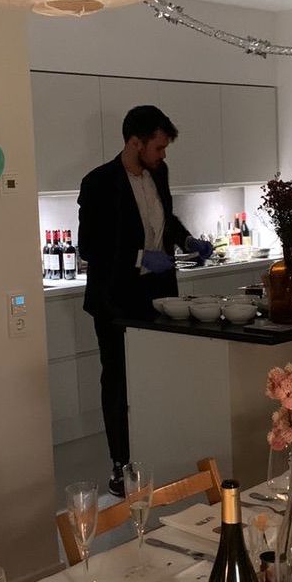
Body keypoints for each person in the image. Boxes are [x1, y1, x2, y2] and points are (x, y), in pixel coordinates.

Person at [78, 104, 212, 497]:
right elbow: (90, 246)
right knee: (118, 381)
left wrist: (185, 239)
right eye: (157, 147)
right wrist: (140, 257)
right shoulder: (99, 182)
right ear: (134, 143)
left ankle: (160, 453)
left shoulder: (159, 173)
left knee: (157, 375)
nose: (163, 155)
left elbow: (164, 219)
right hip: (115, 298)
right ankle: (121, 464)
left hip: (157, 293)